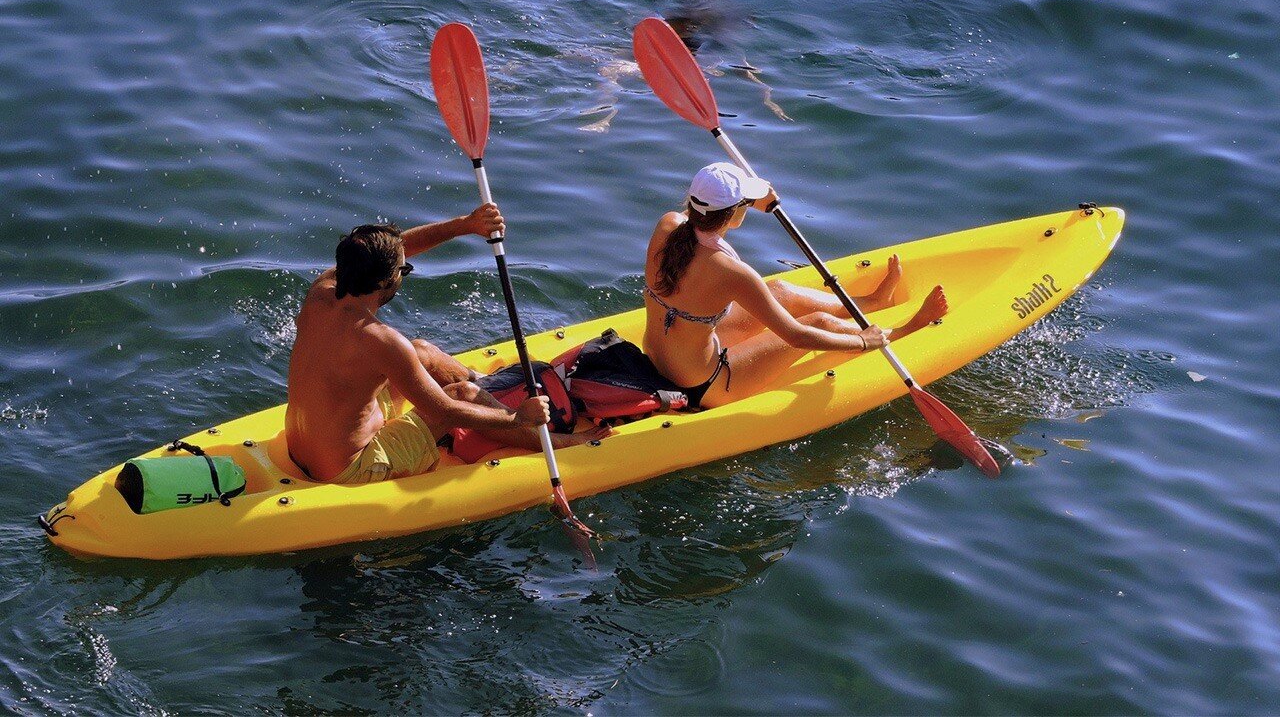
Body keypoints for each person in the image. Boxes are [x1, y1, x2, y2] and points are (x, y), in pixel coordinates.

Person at [285, 207, 605, 484]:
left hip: (301, 445)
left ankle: (488, 385)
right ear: (384, 282)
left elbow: (395, 249)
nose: (404, 270)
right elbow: (444, 409)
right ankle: (559, 441)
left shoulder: (322, 292)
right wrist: (517, 418)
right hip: (351, 467)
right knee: (463, 394)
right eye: (403, 269)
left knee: (423, 351)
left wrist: (467, 224)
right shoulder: (383, 342)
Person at [642, 163, 950, 409]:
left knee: (781, 291)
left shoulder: (668, 224)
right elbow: (796, 336)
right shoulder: (733, 273)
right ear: (734, 211)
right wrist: (864, 342)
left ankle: (872, 301)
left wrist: (746, 202)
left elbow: (703, 224)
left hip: (660, 360)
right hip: (703, 386)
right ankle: (892, 335)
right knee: (816, 322)